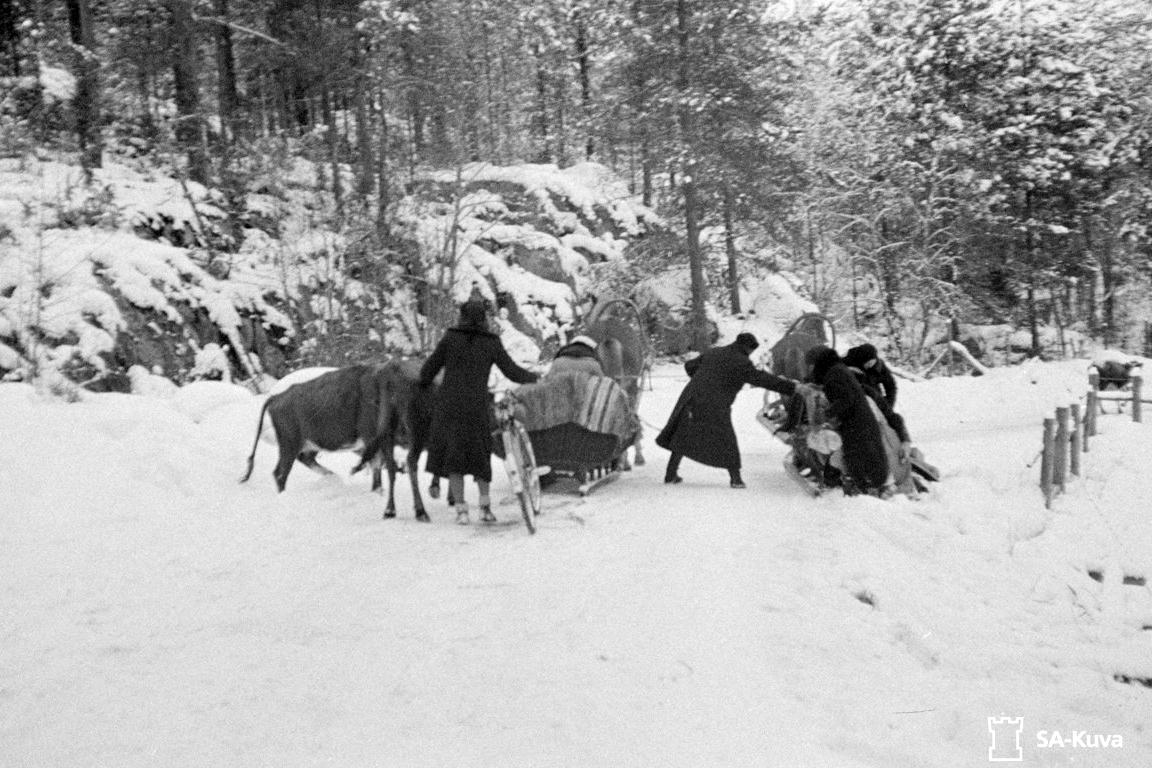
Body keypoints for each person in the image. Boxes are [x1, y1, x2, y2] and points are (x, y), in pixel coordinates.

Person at [420, 299, 539, 525]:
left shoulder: (450, 338)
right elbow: (512, 371)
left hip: (451, 406)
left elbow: (427, 371)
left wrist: (424, 383)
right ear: (483, 318)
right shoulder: (491, 342)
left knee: (454, 456)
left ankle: (462, 511)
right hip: (477, 407)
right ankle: (485, 508)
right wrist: (534, 377)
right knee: (480, 456)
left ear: (462, 317)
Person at [656, 332, 805, 488]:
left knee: (683, 434)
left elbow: (689, 366)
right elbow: (762, 379)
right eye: (751, 351)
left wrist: (704, 378)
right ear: (747, 348)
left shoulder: (714, 351)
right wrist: (793, 387)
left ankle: (670, 474)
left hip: (691, 398)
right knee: (726, 439)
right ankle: (736, 479)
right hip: (715, 404)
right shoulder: (742, 363)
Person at [806, 345, 890, 495]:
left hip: (856, 425)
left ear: (818, 363)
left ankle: (864, 490)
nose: (811, 369)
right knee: (862, 456)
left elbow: (846, 398)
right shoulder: (837, 370)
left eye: (811, 365)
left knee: (857, 458)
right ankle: (866, 486)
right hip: (860, 421)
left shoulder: (833, 375)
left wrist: (827, 413)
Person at [843, 343, 898, 408]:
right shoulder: (850, 359)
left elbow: (891, 386)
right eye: (868, 363)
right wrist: (848, 369)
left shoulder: (879, 366)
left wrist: (888, 405)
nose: (870, 365)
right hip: (854, 395)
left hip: (873, 395)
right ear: (861, 360)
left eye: (872, 362)